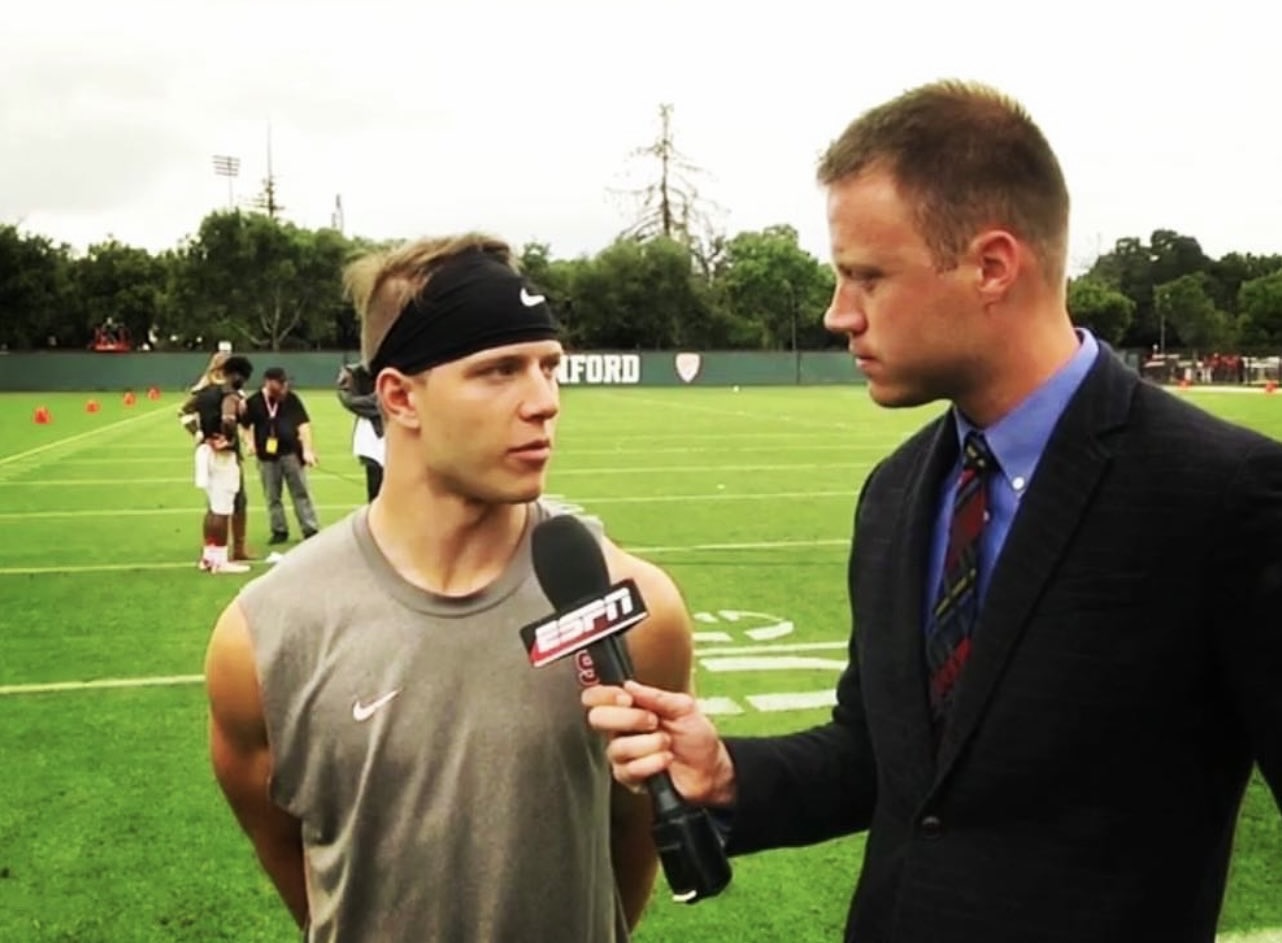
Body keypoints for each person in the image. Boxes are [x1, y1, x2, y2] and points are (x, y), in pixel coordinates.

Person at [584, 79, 1282, 943]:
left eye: (867, 276)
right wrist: (728, 771)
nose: (839, 314)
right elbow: (885, 762)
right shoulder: (898, 491)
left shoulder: (1225, 495)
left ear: (992, 266)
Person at [203, 233, 694, 942]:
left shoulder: (634, 604)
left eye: (548, 367)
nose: (544, 401)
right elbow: (294, 858)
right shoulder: (264, 636)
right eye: (500, 370)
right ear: (399, 397)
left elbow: (634, 835)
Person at [182, 350, 254, 562]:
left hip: (209, 450)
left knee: (222, 503)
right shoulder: (225, 392)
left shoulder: (206, 391)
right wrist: (203, 434)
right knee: (225, 504)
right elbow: (229, 419)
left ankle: (215, 552)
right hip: (222, 451)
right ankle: (219, 555)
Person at [240, 366, 321, 544]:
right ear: (268, 382)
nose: (283, 387)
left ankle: (310, 528)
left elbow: (303, 425)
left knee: (301, 492)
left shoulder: (291, 399)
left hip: (291, 452)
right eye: (280, 383)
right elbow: (245, 425)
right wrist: (249, 443)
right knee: (272, 496)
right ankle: (279, 530)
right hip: (266, 457)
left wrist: (307, 450)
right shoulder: (254, 401)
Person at [336, 362, 385, 501]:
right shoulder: (359, 373)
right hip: (372, 441)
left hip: (393, 439)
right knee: (375, 487)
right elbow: (350, 401)